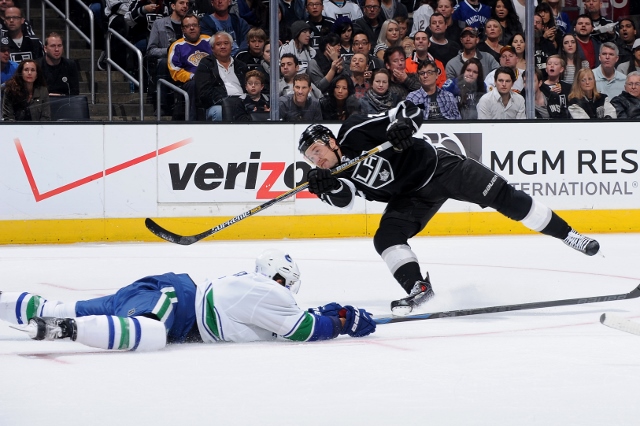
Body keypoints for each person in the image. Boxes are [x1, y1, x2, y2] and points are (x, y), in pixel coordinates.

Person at [297, 101, 600, 314]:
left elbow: (410, 109)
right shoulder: (326, 177)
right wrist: (327, 184)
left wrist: (403, 126)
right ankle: (419, 287)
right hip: (410, 198)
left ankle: (569, 234)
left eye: (317, 151)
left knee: (504, 197)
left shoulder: (355, 131)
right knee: (385, 237)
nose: (317, 160)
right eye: (311, 158)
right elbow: (346, 201)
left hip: (441, 168)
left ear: (330, 140)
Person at [0, 249, 376, 351]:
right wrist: (342, 323)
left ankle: (44, 314)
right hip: (172, 304)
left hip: (160, 291)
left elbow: (291, 319)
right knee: (150, 335)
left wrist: (332, 310)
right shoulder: (271, 293)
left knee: (53, 304)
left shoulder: (253, 287)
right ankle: (67, 330)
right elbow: (303, 330)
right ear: (281, 279)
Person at [146, 0, 189, 114]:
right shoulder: (159, 24)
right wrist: (171, 51)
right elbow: (151, 51)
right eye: (182, 3)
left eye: (187, 4)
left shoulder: (190, 25)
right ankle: (161, 106)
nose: (185, 6)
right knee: (164, 62)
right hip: (166, 63)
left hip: (187, 62)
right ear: (173, 6)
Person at [194, 32, 248, 121]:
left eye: (226, 43)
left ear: (231, 46)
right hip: (219, 104)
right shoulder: (206, 64)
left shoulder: (241, 65)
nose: (223, 46)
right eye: (218, 44)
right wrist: (226, 101)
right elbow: (204, 93)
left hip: (242, 102)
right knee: (220, 112)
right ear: (212, 48)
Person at [167, 14, 212, 120]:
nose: (192, 28)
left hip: (211, 77)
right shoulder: (177, 46)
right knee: (194, 85)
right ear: (183, 29)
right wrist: (192, 76)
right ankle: (192, 121)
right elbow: (175, 70)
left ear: (199, 27)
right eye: (188, 26)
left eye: (194, 25)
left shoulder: (209, 41)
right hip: (190, 81)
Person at [37, 32, 80, 97]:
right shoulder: (37, 66)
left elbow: (74, 92)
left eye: (59, 46)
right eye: (53, 46)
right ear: (45, 49)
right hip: (42, 103)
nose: (57, 49)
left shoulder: (70, 65)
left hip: (65, 103)